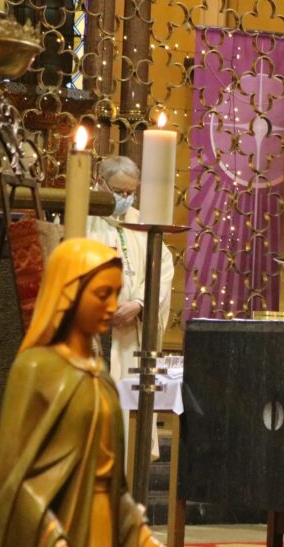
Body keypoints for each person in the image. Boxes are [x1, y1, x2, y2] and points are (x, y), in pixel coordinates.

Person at [0, 239, 163, 546]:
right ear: (69, 292)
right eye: (101, 294)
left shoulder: (100, 377)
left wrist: (140, 532)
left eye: (116, 294)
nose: (112, 306)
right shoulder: (35, 369)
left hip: (101, 526)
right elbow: (11, 481)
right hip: (59, 528)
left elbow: (113, 485)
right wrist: (50, 536)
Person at [86, 155, 173, 458]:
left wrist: (139, 303)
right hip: (99, 336)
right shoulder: (86, 221)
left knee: (131, 415)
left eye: (130, 192)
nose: (125, 198)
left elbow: (163, 266)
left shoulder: (144, 222)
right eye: (119, 191)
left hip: (132, 335)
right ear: (100, 184)